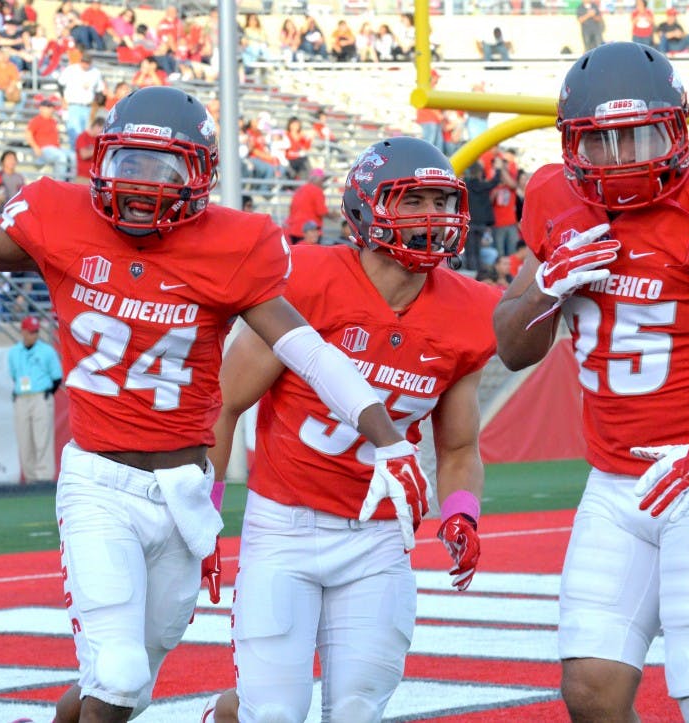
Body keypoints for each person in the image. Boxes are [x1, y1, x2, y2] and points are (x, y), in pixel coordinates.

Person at [0, 15, 427, 722]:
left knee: (128, 673)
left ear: (199, 174)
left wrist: (385, 433)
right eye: (129, 163)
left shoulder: (232, 242)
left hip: (185, 494)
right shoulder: (60, 217)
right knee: (118, 671)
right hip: (100, 484)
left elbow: (308, 348)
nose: (142, 185)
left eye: (163, 168)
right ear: (100, 158)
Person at [492, 43, 689, 722]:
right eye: (604, 142)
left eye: (644, 134)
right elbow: (513, 347)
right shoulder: (555, 201)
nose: (625, 156)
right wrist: (547, 284)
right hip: (613, 482)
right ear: (573, 145)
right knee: (591, 689)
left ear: (678, 128)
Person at [203, 136, 498, 723]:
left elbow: (460, 445)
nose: (433, 217)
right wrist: (204, 513)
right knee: (274, 714)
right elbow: (223, 402)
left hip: (381, 538)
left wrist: (461, 511)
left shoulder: (470, 310)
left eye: (442, 201)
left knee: (358, 710)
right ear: (366, 208)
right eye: (414, 200)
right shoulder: (307, 277)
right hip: (285, 523)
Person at [9, 314, 63, 482]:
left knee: (42, 439)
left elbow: (57, 377)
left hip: (41, 396)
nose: (34, 335)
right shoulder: (14, 352)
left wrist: (46, 394)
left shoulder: (47, 351)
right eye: (31, 332)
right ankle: (31, 479)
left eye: (36, 332)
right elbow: (14, 375)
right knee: (24, 440)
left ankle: (44, 478)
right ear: (23, 332)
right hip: (22, 397)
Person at [283, 167, 338, 244]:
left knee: (296, 255)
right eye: (322, 180)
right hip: (309, 233)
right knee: (312, 255)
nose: (323, 183)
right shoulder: (317, 191)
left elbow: (291, 209)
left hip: (294, 231)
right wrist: (333, 215)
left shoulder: (299, 190)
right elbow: (321, 211)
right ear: (317, 180)